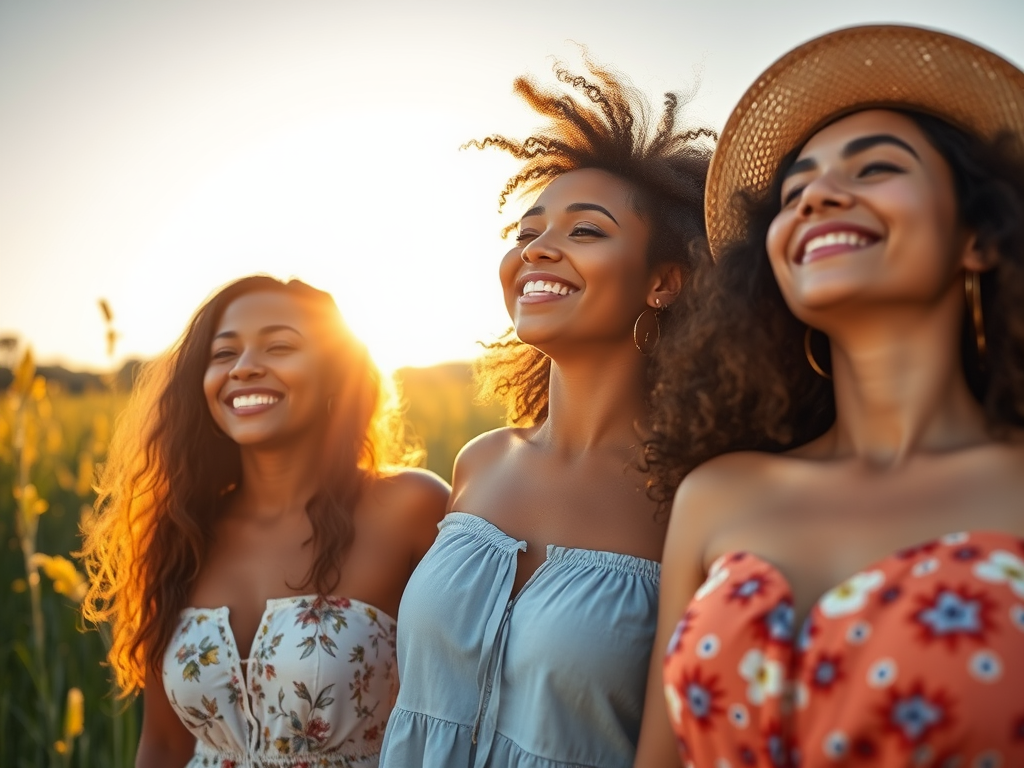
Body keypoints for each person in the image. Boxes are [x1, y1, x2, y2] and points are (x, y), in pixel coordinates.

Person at [636, 24, 1024, 768]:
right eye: (795, 188)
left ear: (980, 234)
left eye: (876, 168)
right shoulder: (715, 496)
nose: (818, 194)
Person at [378, 57, 714, 768]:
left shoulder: (695, 498)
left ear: (663, 281)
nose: (538, 250)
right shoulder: (480, 461)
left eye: (585, 232)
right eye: (529, 231)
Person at [80, 275, 449, 768]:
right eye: (223, 354)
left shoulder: (412, 509)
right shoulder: (179, 532)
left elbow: (467, 714)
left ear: (334, 373)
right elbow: (165, 745)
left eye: (279, 346)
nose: (246, 368)